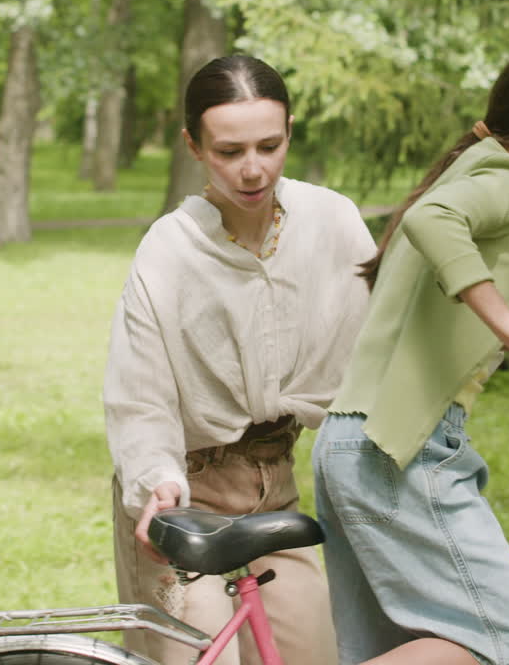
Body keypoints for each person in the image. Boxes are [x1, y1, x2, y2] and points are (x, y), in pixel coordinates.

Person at [312, 41, 509, 665]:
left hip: (354, 445)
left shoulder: (480, 165)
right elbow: (433, 221)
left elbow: (426, 278)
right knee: (508, 648)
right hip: (398, 453)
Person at [104, 54, 375, 665]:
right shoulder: (168, 251)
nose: (253, 170)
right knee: (203, 659)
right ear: (193, 145)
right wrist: (157, 485)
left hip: (277, 493)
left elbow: (391, 331)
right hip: (184, 497)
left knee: (311, 655)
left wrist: (502, 310)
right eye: (229, 151)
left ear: (289, 132)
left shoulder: (332, 222)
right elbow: (139, 394)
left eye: (270, 145)